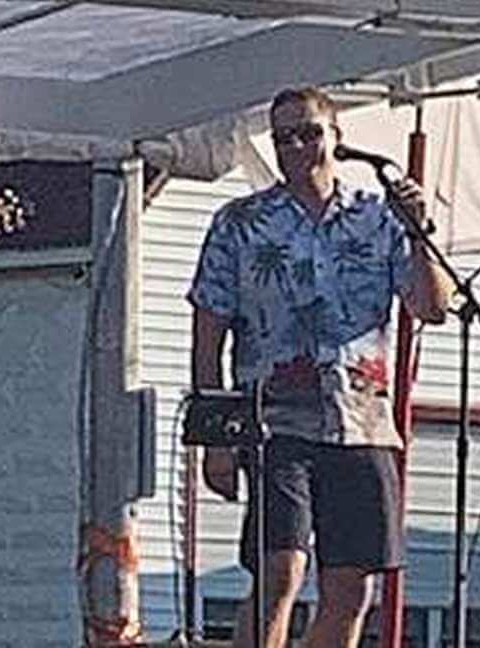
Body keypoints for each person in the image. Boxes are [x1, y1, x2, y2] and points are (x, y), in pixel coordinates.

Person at [188, 87, 455, 648]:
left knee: (351, 588)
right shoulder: (241, 223)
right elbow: (208, 331)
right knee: (279, 570)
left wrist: (418, 229)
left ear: (337, 137)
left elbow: (433, 307)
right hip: (275, 422)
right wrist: (215, 439)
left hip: (361, 422)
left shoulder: (376, 218)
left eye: (308, 133)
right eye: (283, 137)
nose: (295, 146)